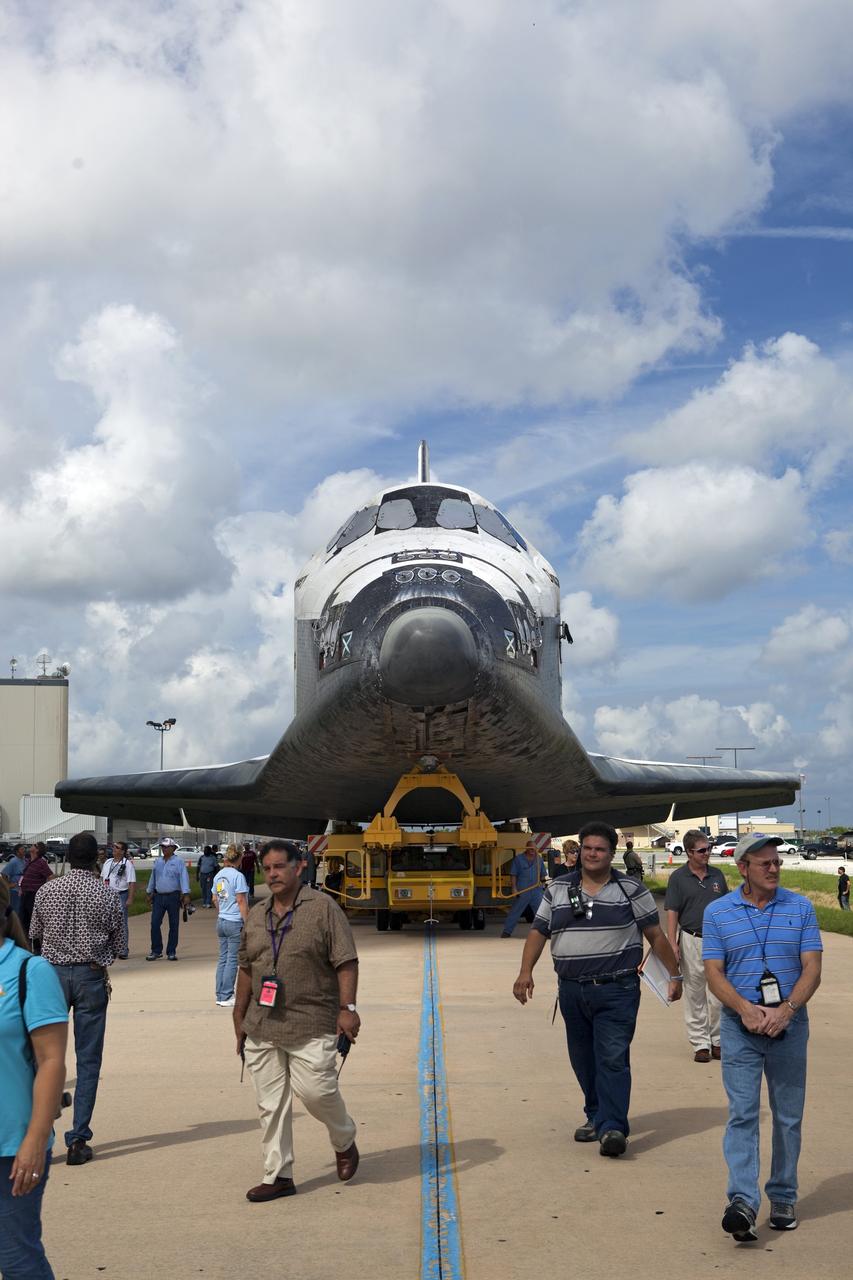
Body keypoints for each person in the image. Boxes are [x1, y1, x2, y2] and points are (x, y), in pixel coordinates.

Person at [512, 821, 682, 1158]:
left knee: (612, 1057)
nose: (592, 854)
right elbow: (538, 931)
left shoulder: (630, 889)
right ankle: (596, 1114)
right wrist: (525, 971)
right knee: (583, 1060)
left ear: (611, 853)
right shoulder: (558, 889)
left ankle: (613, 1128)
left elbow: (655, 935)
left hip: (617, 989)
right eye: (587, 848)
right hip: (571, 990)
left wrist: (674, 976)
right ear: (579, 852)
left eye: (600, 849)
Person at [703, 834, 822, 1240]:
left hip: (790, 1025)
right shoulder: (718, 913)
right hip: (740, 1026)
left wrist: (787, 1010)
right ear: (743, 868)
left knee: (788, 1116)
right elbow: (714, 973)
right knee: (742, 1114)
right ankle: (743, 1201)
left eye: (777, 862)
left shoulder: (800, 907)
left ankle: (783, 1195)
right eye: (765, 863)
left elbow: (812, 968)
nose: (774, 869)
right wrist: (744, 1009)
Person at [234, 839, 360, 1202]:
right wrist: (239, 1013)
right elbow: (247, 966)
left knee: (316, 1092)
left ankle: (344, 1139)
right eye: (267, 868)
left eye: (279, 867)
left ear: (299, 866)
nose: (272, 874)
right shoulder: (257, 914)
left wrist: (347, 1008)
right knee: (270, 1105)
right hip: (262, 1022)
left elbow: (346, 960)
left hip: (312, 1020)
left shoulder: (323, 908)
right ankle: (278, 1175)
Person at [28, 831, 124, 1167]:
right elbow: (120, 946)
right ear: (96, 858)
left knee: (45, 1058)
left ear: (68, 857)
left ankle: (42, 1135)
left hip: (51, 977)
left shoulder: (47, 891)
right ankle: (78, 1138)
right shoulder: (106, 894)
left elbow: (34, 935)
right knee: (88, 1060)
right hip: (89, 976)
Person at [0, 877, 69, 1279]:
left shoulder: (29, 970)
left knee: (17, 1260)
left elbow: (51, 1061)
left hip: (11, 1146)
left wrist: (35, 1140)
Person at [664, 829, 729, 1062]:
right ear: (689, 852)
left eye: (708, 848)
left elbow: (727, 908)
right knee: (694, 993)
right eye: (702, 850)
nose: (707, 853)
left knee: (719, 994)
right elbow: (672, 911)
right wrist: (672, 943)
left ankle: (718, 1041)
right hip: (691, 939)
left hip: (717, 941)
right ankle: (700, 1044)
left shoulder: (717, 875)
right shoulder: (678, 878)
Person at [212, 846, 249, 1006]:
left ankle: (220, 994)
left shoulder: (219, 875)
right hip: (234, 921)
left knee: (223, 958)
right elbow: (241, 901)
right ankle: (227, 995)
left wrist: (223, 911)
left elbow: (215, 899)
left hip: (221, 920)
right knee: (232, 959)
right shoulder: (238, 876)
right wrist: (247, 922)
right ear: (239, 858)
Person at [146, 837, 191, 961]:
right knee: (155, 923)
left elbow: (184, 878)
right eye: (163, 847)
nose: (164, 849)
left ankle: (171, 951)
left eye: (167, 847)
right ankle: (156, 950)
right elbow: (153, 877)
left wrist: (186, 894)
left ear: (173, 848)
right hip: (158, 896)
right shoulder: (158, 862)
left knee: (174, 925)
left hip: (173, 896)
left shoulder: (179, 862)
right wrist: (149, 892)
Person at [501, 840, 546, 938]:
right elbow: (513, 874)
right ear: (526, 848)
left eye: (534, 849)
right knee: (516, 911)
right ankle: (507, 931)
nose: (532, 851)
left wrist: (543, 886)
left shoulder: (539, 859)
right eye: (530, 849)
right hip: (522, 890)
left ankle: (545, 932)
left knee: (541, 912)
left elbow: (543, 875)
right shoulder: (518, 859)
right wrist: (514, 888)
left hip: (536, 890)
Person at [101, 842, 137, 958]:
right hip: (107, 896)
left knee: (121, 923)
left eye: (117, 847)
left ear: (122, 851)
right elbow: (102, 879)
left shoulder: (127, 864)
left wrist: (130, 898)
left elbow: (132, 882)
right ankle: (109, 949)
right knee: (106, 923)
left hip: (121, 895)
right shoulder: (108, 862)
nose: (114, 849)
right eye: (114, 847)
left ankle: (123, 950)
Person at [19, 844, 53, 935]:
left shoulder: (41, 862)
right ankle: (26, 939)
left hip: (33, 895)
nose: (32, 845)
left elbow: (50, 876)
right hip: (25, 894)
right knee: (24, 919)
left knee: (32, 919)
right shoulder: (29, 861)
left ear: (37, 850)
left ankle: (35, 941)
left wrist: (46, 891)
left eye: (35, 845)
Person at [1, 843, 27, 916]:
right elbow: (3, 873)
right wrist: (8, 884)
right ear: (17, 852)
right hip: (15, 891)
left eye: (24, 849)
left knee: (21, 911)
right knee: (16, 911)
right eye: (22, 849)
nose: (24, 850)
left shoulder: (24, 860)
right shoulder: (13, 861)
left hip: (22, 890)